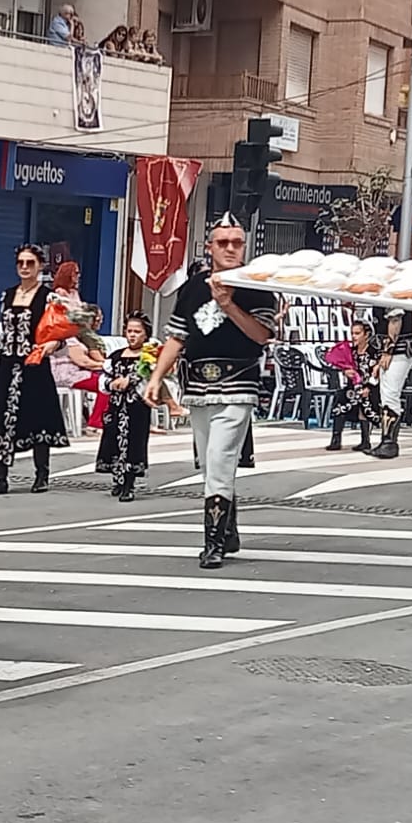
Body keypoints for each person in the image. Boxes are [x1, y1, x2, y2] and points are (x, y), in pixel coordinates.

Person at [145, 216, 276, 569]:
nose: (230, 248)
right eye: (223, 243)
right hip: (198, 386)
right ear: (210, 247)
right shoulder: (192, 287)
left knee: (219, 459)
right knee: (208, 463)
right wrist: (157, 377)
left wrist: (229, 305)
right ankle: (228, 528)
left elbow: (262, 335)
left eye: (236, 242)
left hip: (239, 384)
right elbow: (177, 336)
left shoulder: (257, 285)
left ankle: (213, 542)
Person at [0, 245, 68, 495]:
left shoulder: (48, 297)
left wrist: (51, 345)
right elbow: (3, 333)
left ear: (40, 266)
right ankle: (0, 476)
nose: (24, 267)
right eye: (20, 262)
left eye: (30, 263)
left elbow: (60, 332)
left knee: (37, 417)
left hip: (34, 364)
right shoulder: (7, 295)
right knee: (2, 417)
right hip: (8, 364)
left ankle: (41, 473)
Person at [97, 313, 153, 500]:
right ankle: (117, 479)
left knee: (133, 442)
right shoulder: (116, 356)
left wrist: (132, 381)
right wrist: (111, 384)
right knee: (114, 440)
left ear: (145, 335)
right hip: (115, 407)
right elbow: (103, 378)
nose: (132, 335)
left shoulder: (148, 358)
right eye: (129, 331)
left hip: (136, 408)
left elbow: (151, 381)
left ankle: (129, 482)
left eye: (137, 332)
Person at [369, 302, 412, 459]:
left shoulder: (391, 295)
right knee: (387, 393)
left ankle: (389, 442)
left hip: (399, 350)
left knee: (390, 393)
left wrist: (388, 350)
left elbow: (396, 320)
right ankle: (387, 440)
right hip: (396, 349)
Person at [323, 321, 378, 453]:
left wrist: (368, 387)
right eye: (352, 333)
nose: (354, 336)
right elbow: (342, 366)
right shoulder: (350, 351)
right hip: (352, 388)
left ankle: (365, 441)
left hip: (369, 387)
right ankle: (336, 439)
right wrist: (345, 371)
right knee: (340, 401)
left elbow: (377, 372)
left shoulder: (374, 352)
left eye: (357, 333)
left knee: (364, 405)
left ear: (366, 335)